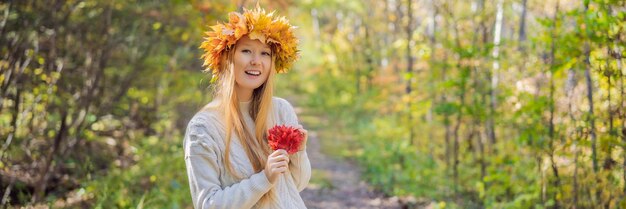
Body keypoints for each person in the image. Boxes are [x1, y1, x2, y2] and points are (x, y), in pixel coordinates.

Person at [183, 6, 311, 209]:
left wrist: (298, 153)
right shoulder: (203, 128)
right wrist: (265, 178)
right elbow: (208, 204)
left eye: (265, 54)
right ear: (227, 58)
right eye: (246, 51)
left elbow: (295, 186)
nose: (256, 61)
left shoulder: (281, 110)